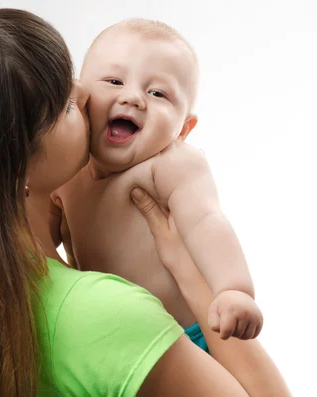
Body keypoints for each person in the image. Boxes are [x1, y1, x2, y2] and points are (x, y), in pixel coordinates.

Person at [0, 8, 290, 397]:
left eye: (158, 93)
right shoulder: (100, 315)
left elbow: (204, 219)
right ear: (14, 166)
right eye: (65, 104)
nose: (85, 96)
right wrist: (190, 274)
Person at [53, 19, 263, 350]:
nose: (133, 98)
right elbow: (37, 241)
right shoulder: (66, 172)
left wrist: (233, 290)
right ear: (79, 95)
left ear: (183, 128)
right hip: (108, 338)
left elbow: (206, 221)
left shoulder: (170, 165)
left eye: (157, 93)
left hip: (186, 338)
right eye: (114, 80)